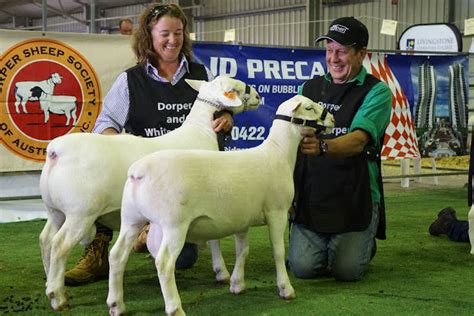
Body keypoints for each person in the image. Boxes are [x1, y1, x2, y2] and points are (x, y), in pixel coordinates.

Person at [64, 3, 233, 286]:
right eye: (165, 33)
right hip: (142, 179)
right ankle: (97, 254)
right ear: (149, 36)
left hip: (184, 183)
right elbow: (104, 123)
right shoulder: (130, 80)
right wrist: (116, 146)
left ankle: (149, 231)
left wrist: (227, 116)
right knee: (106, 174)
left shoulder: (203, 76)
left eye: (178, 33)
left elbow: (225, 105)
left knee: (182, 259)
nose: (173, 40)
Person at [287, 16, 392, 282]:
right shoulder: (308, 88)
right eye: (329, 50)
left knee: (348, 271)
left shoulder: (377, 92)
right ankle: (338, 244)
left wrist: (322, 146)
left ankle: (361, 242)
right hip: (315, 190)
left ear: (361, 54)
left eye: (342, 51)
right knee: (303, 268)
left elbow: (358, 140)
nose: (334, 58)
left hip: (356, 193)